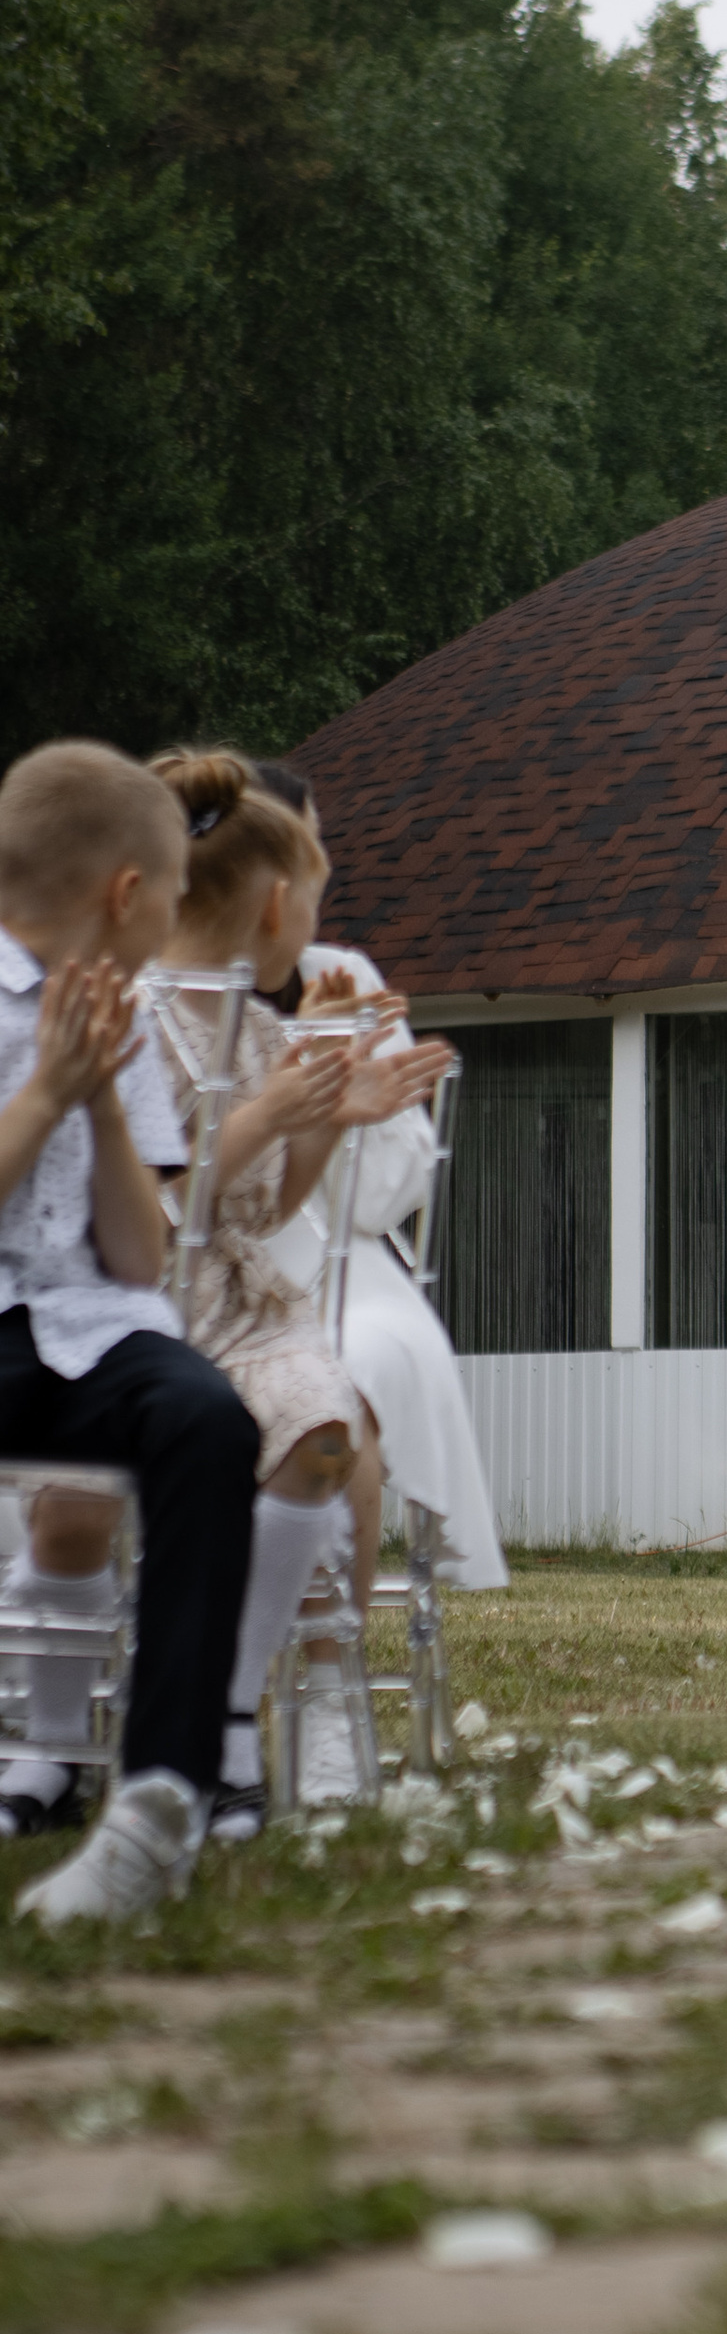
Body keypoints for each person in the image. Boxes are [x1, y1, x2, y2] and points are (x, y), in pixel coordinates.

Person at [146, 756, 451, 1833]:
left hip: (249, 1296)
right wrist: (284, 1103)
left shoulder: (281, 1017)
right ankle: (171, 1723)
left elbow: (274, 1208)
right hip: (153, 1303)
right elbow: (159, 1197)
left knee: (325, 1420)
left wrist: (329, 1100)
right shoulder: (140, 1016)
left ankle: (243, 1705)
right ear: (277, 902)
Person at [0, 742, 259, 1927]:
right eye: (168, 898)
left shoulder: (131, 1025)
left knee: (207, 1418)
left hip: (94, 1329)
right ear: (125, 894)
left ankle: (160, 1796)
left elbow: (142, 1260)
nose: (170, 925)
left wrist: (102, 1096)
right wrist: (44, 1091)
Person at [250, 767, 506, 1607]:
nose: (327, 864)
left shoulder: (346, 975)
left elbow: (388, 1193)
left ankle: (328, 1672)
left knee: (355, 1365)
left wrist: (341, 1099)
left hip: (339, 1262)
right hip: (207, 1253)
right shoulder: (163, 987)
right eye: (309, 843)